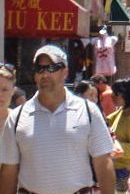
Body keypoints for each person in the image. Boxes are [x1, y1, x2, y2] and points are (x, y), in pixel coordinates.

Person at [0, 44, 116, 194]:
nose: (45, 74)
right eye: (40, 68)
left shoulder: (88, 111)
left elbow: (103, 162)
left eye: (52, 68)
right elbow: (9, 170)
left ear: (65, 71)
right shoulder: (17, 117)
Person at [108, 78, 130, 193]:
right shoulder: (122, 111)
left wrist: (114, 145)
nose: (111, 95)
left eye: (115, 93)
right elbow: (106, 121)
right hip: (115, 168)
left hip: (124, 172)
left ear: (125, 95)